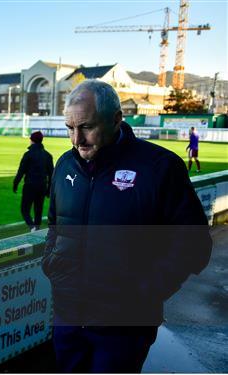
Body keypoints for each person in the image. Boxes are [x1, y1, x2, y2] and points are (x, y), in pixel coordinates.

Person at [42, 80, 212, 373]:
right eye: (69, 128)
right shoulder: (65, 165)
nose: (76, 139)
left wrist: (145, 293)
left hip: (124, 325)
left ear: (116, 119)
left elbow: (195, 245)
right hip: (68, 316)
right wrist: (52, 265)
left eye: (86, 127)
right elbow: (56, 226)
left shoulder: (159, 167)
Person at [13, 131, 54, 232]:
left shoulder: (28, 155)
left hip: (30, 186)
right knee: (38, 210)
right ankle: (37, 228)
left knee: (24, 209)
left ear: (32, 140)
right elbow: (52, 174)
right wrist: (49, 189)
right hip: (42, 186)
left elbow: (21, 171)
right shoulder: (48, 155)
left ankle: (32, 227)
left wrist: (15, 184)